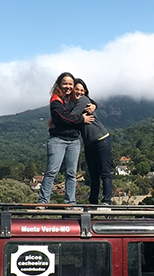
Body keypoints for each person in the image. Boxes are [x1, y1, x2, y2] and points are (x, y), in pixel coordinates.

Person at [37, 72, 94, 204]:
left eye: (70, 84)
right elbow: (62, 117)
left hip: (74, 141)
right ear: (59, 84)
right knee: (51, 171)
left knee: (71, 174)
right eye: (65, 84)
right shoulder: (56, 99)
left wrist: (94, 105)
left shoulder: (74, 99)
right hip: (58, 140)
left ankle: (70, 203)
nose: (68, 86)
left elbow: (87, 99)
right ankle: (43, 202)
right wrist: (81, 119)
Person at [71, 78, 113, 205]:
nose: (79, 92)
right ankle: (93, 202)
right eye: (77, 89)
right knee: (93, 174)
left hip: (101, 139)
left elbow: (71, 116)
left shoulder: (83, 100)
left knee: (104, 172)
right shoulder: (72, 103)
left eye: (82, 90)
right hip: (89, 144)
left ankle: (107, 201)